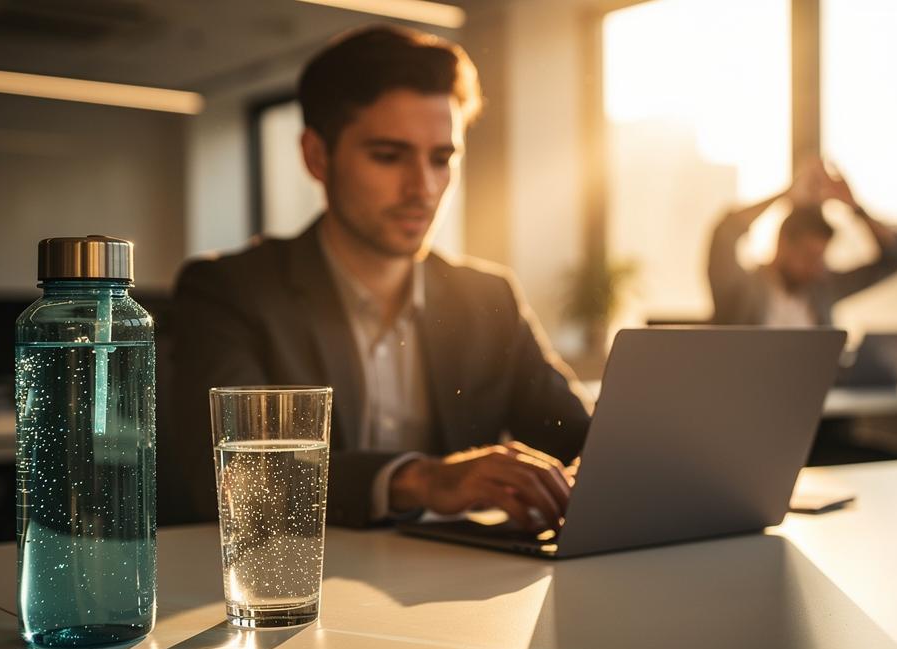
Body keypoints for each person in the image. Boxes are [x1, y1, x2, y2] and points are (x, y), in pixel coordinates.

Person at [161, 26, 590, 531]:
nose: (423, 189)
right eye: (388, 157)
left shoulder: (487, 297)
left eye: (441, 158)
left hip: (452, 585)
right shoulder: (229, 291)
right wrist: (420, 480)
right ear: (317, 157)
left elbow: (582, 440)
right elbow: (235, 476)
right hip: (289, 586)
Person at [706, 160, 897, 326]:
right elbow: (726, 231)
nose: (817, 267)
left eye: (821, 258)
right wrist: (786, 195)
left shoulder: (821, 289)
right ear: (783, 243)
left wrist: (855, 208)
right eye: (809, 257)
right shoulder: (739, 288)